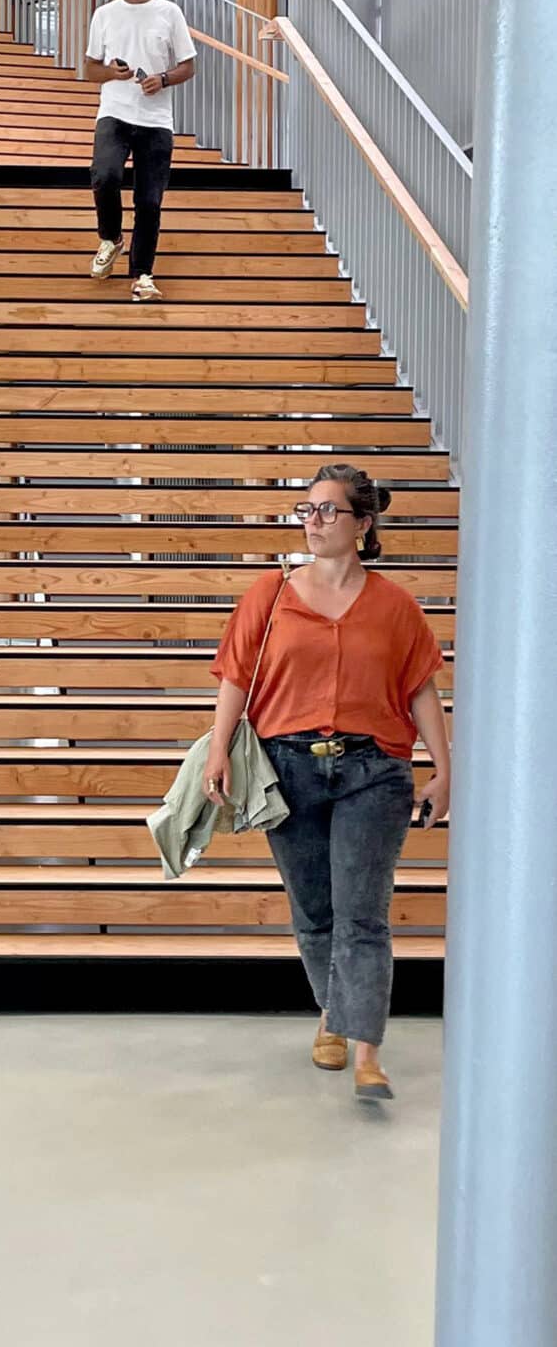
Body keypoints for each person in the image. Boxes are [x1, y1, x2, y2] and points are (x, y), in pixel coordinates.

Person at [203, 465, 450, 1106]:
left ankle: (368, 1053)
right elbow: (235, 676)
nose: (313, 522)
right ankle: (333, 1014)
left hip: (374, 772)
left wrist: (444, 768)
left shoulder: (396, 607)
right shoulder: (270, 594)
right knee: (315, 913)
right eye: (306, 510)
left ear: (363, 526)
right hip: (287, 768)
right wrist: (218, 751)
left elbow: (422, 686)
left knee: (362, 915)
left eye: (328, 512)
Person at [84, 0, 197, 303]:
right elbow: (89, 69)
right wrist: (110, 73)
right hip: (114, 113)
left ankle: (142, 275)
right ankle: (111, 238)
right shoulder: (104, 15)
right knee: (105, 176)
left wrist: (162, 79)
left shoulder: (169, 13)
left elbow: (187, 66)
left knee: (149, 201)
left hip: (156, 120)